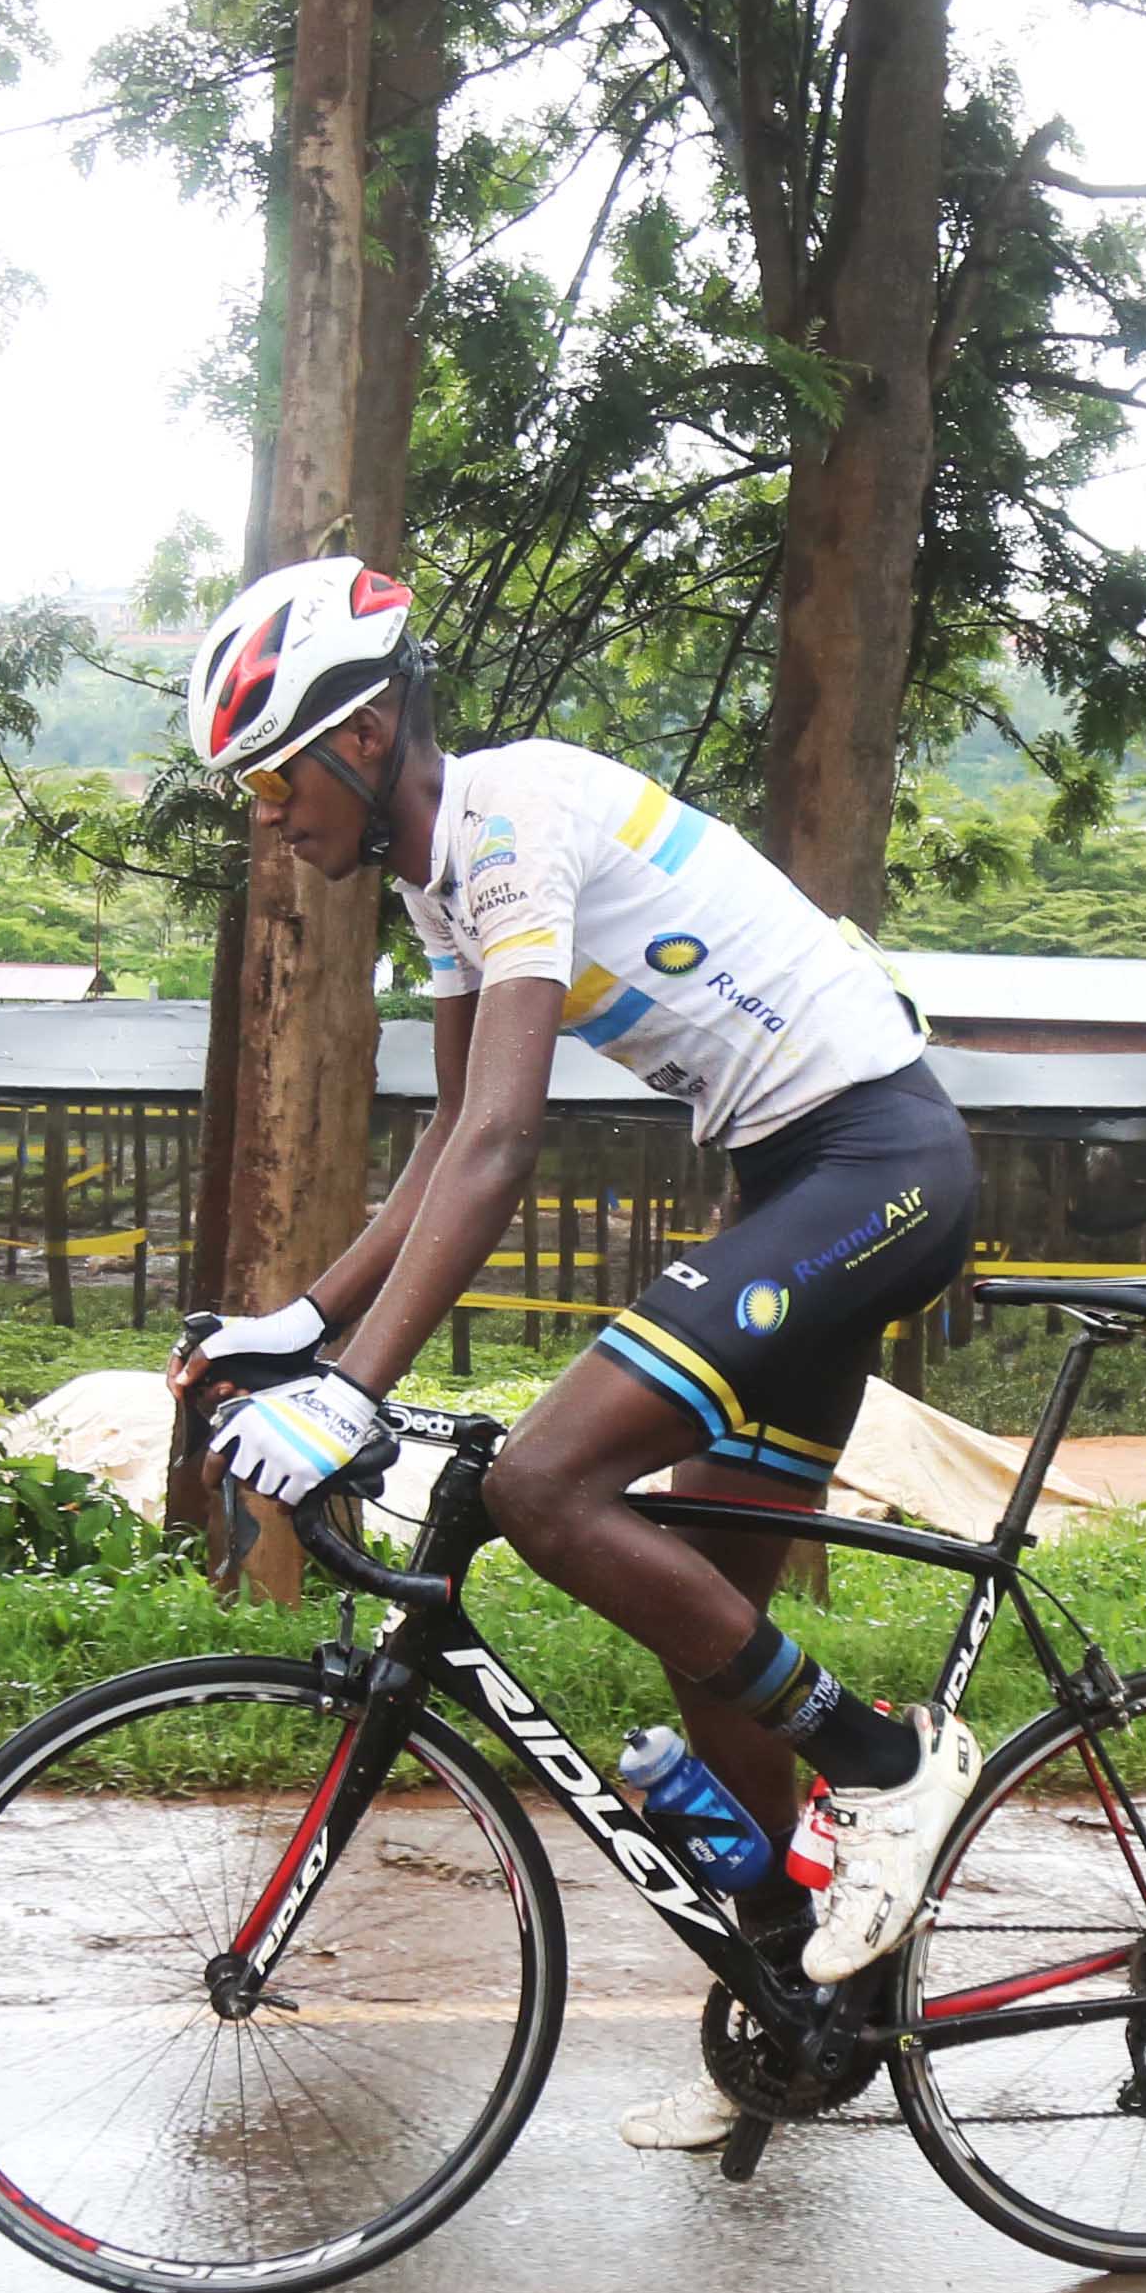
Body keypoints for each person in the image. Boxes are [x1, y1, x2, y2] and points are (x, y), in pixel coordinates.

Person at [162, 558, 980, 2146]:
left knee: (546, 1485)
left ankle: (884, 1764)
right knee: (706, 1619)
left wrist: (353, 1394)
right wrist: (311, 1323)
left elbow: (508, 1142)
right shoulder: (437, 878)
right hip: (798, 1181)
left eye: (274, 779)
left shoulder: (507, 815)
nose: (268, 818)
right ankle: (808, 2005)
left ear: (367, 729)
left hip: (874, 1167)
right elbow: (448, 1141)